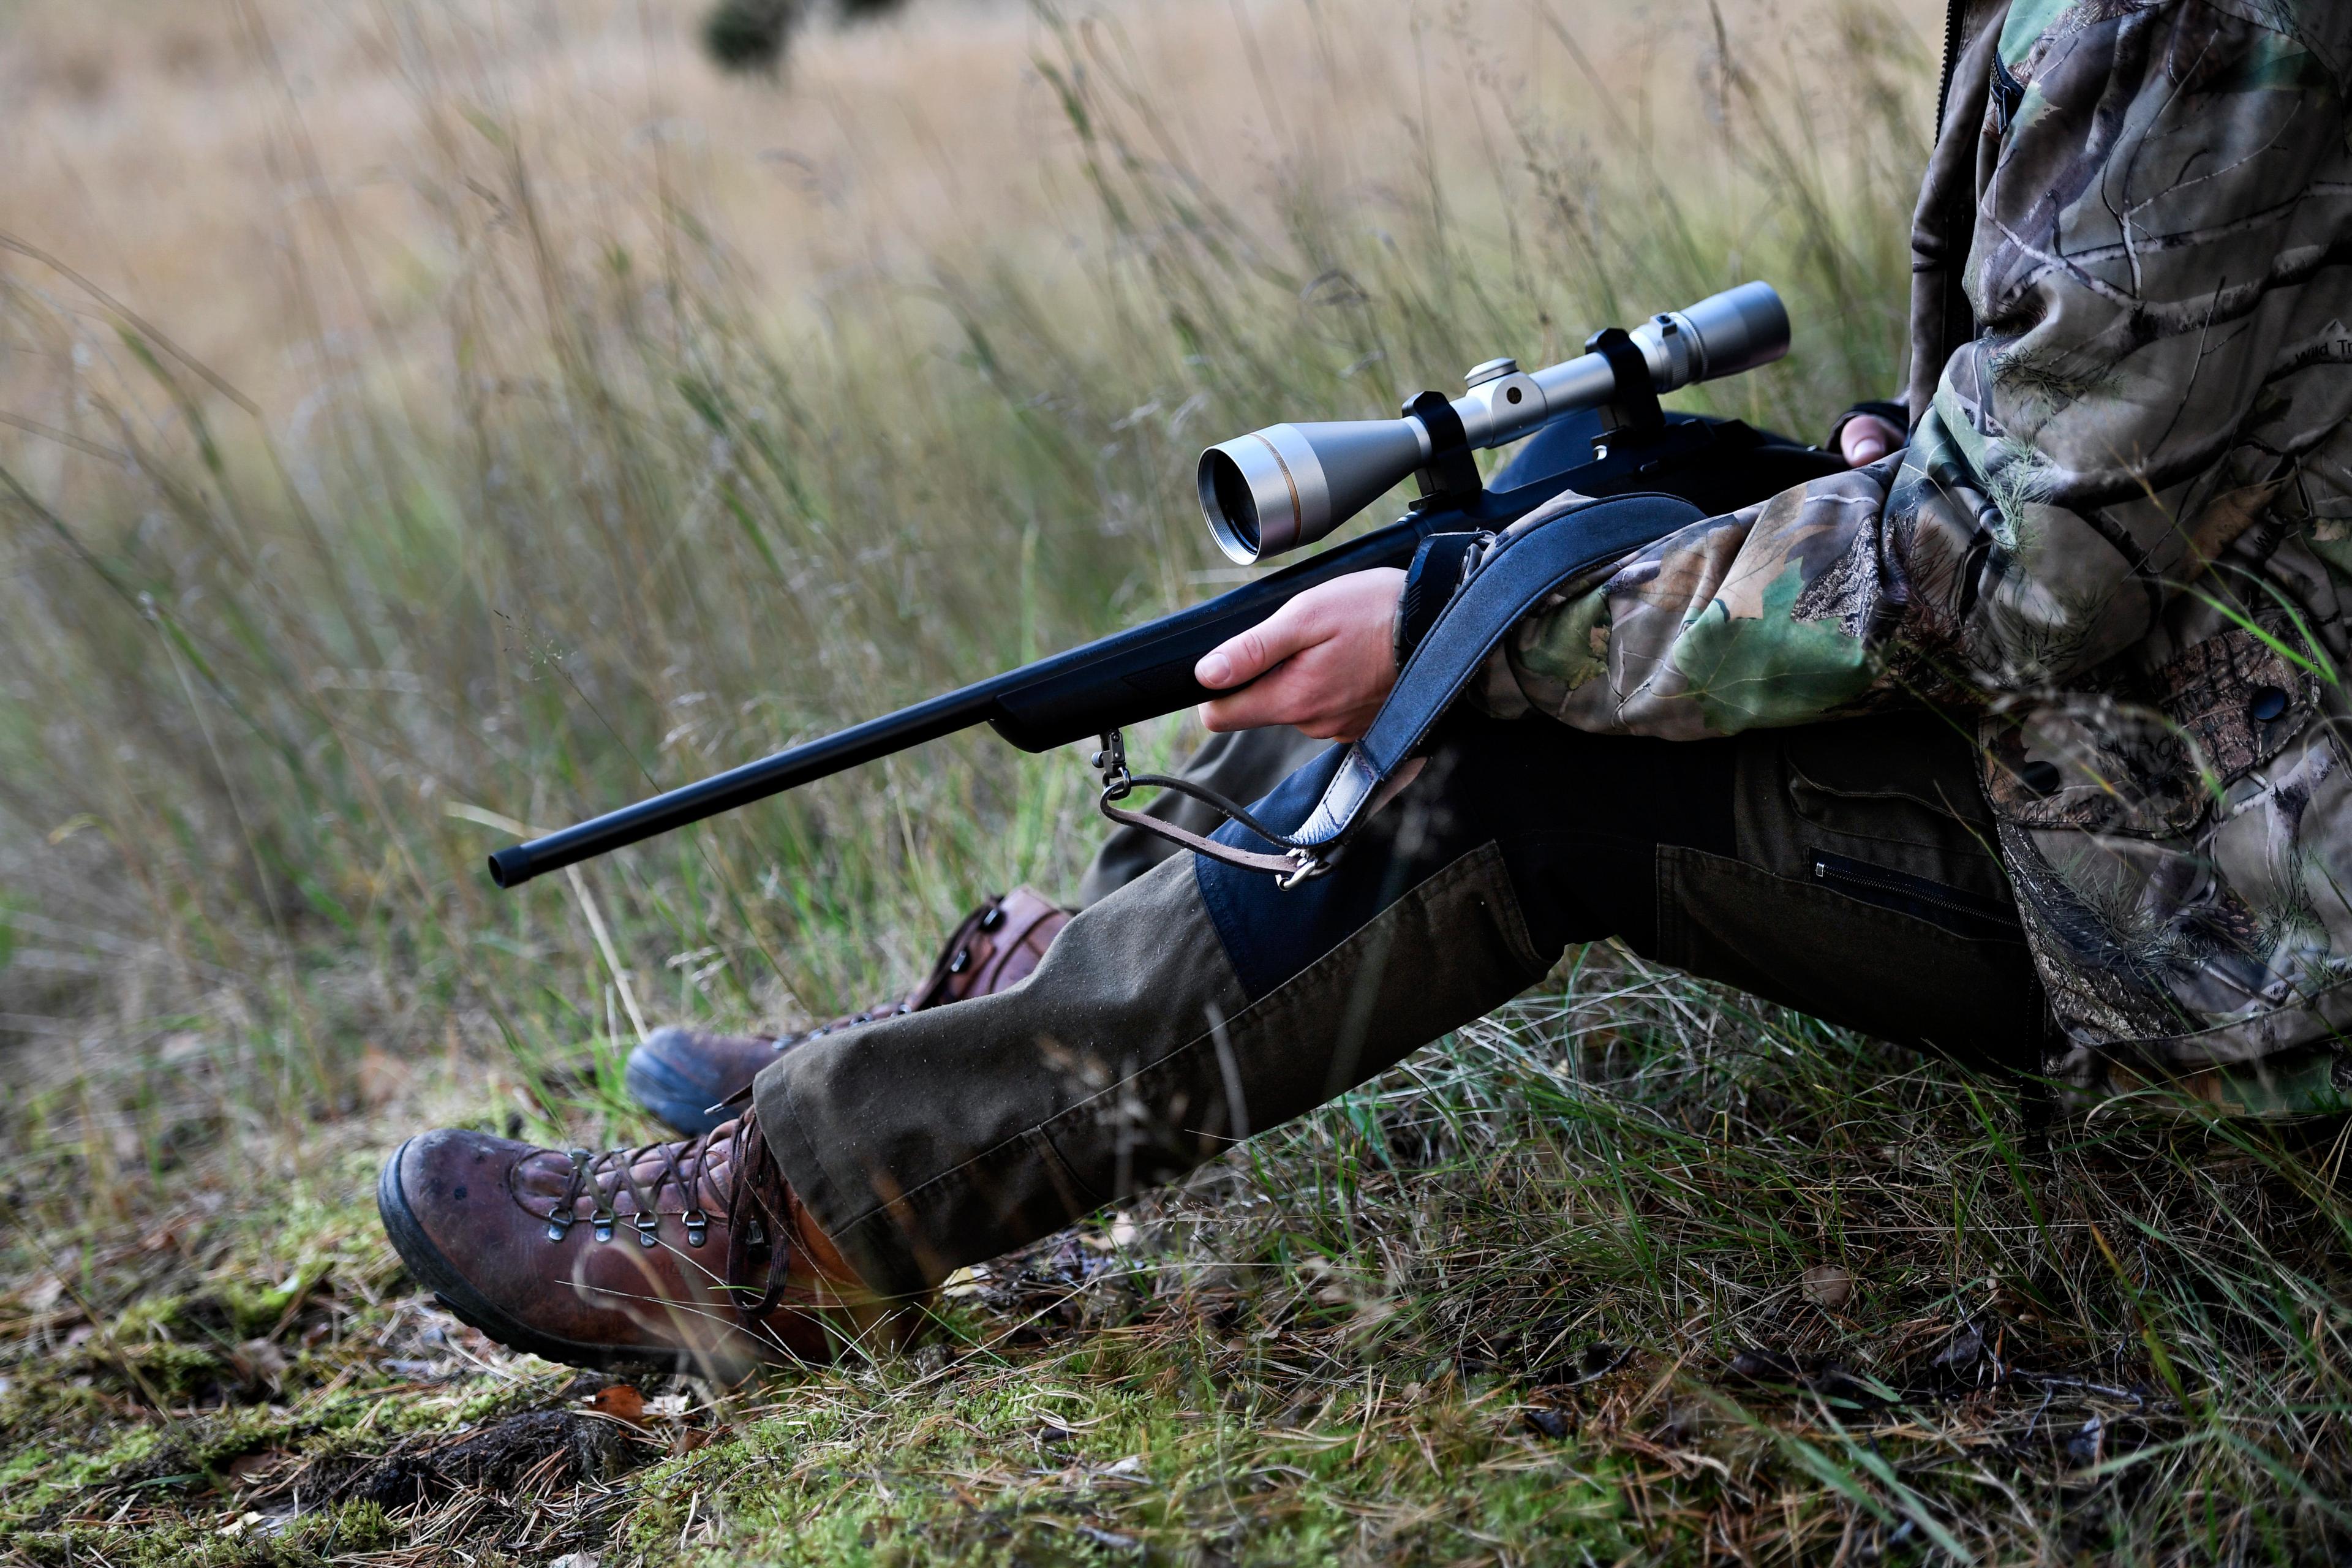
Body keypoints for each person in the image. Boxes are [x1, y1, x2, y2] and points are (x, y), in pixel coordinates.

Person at [377, 0, 2352, 1377]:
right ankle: (1006, 1031)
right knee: (1549, 527)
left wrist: (1485, 642)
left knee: (1492, 759)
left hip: (2254, 918)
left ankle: (790, 1222)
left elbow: (2019, 573)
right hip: (2198, 747)